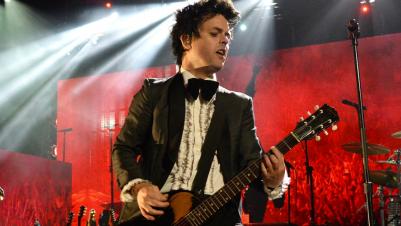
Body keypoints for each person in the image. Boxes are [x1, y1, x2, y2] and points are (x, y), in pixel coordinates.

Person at [112, 0, 290, 225]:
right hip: (157, 216)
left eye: (227, 35)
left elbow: (253, 165)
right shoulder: (154, 92)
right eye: (215, 33)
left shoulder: (240, 104)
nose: (225, 40)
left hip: (220, 216)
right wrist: (140, 187)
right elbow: (124, 148)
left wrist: (275, 179)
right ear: (186, 39)